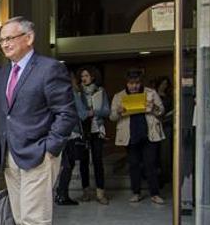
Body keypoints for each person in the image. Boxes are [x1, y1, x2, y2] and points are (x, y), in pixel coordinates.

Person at [0, 16, 77, 225]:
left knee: (35, 220)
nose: (4, 43)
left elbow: (67, 113)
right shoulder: (4, 74)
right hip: (11, 156)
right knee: (20, 218)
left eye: (10, 38)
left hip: (38, 156)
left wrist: (50, 149)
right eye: (1, 39)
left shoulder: (49, 69)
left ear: (28, 38)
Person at [109, 69, 166, 204]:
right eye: (131, 83)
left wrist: (153, 108)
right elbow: (112, 117)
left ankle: (155, 194)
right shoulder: (119, 96)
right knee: (133, 164)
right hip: (130, 135)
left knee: (150, 164)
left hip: (149, 134)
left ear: (141, 83)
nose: (134, 86)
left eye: (136, 83)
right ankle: (136, 193)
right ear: (126, 83)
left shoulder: (150, 93)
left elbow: (162, 111)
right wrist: (118, 111)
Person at [77, 66, 111, 205]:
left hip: (97, 130)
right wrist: (86, 113)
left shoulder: (101, 91)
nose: (84, 78)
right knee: (83, 162)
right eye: (82, 76)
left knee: (98, 161)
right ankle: (85, 192)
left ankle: (100, 193)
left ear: (93, 77)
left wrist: (94, 112)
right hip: (83, 131)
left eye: (86, 75)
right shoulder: (77, 93)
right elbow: (77, 112)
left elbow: (106, 111)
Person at [55, 71, 89, 206]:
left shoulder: (56, 94)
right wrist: (90, 111)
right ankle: (62, 195)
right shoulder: (73, 94)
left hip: (59, 132)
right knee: (69, 165)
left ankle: (60, 193)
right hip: (72, 133)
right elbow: (82, 114)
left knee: (65, 165)